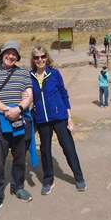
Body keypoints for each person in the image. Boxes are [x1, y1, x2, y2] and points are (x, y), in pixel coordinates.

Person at [0, 40, 37, 220]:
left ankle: (18, 187)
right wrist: (7, 110)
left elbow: (29, 94)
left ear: (18, 57)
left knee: (20, 158)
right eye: (8, 52)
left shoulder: (23, 73)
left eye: (14, 54)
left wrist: (19, 109)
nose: (11, 56)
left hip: (21, 118)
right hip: (1, 119)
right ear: (2, 53)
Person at [30, 45, 87, 195]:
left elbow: (63, 94)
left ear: (47, 57)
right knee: (45, 151)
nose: (40, 60)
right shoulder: (30, 76)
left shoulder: (54, 74)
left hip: (59, 117)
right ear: (33, 60)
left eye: (42, 56)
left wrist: (69, 117)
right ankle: (48, 180)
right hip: (42, 119)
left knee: (69, 148)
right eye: (36, 57)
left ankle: (79, 177)